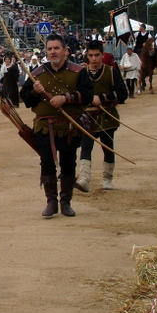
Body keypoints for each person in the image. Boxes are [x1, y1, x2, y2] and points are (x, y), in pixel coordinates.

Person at [20, 34, 92, 217]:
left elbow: (88, 95)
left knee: (68, 163)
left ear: (65, 51)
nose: (53, 52)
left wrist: (65, 98)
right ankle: (51, 203)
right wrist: (34, 92)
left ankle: (66, 203)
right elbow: (26, 99)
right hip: (45, 127)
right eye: (50, 49)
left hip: (69, 127)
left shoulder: (78, 71)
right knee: (46, 163)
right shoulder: (37, 73)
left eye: (56, 48)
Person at [75, 41, 128, 192]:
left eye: (97, 55)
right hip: (87, 117)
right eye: (91, 55)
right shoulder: (81, 73)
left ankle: (107, 178)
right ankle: (84, 178)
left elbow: (122, 94)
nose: (94, 59)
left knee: (108, 147)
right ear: (86, 55)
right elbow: (76, 93)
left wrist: (103, 98)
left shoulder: (112, 72)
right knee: (86, 147)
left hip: (107, 116)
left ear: (102, 55)